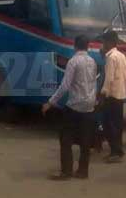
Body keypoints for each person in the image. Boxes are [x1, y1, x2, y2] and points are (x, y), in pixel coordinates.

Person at [42, 35, 98, 180]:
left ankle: (66, 171)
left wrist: (50, 102)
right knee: (86, 141)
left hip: (74, 105)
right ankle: (82, 171)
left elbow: (65, 86)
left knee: (66, 138)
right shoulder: (92, 61)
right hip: (89, 106)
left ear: (75, 46)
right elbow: (93, 83)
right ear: (87, 46)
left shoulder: (73, 62)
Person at [100, 29, 126, 163]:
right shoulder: (121, 55)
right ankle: (118, 150)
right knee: (117, 124)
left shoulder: (111, 57)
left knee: (108, 124)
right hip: (121, 94)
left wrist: (102, 93)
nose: (103, 44)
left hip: (111, 95)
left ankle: (115, 151)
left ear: (109, 42)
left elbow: (109, 78)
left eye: (104, 42)